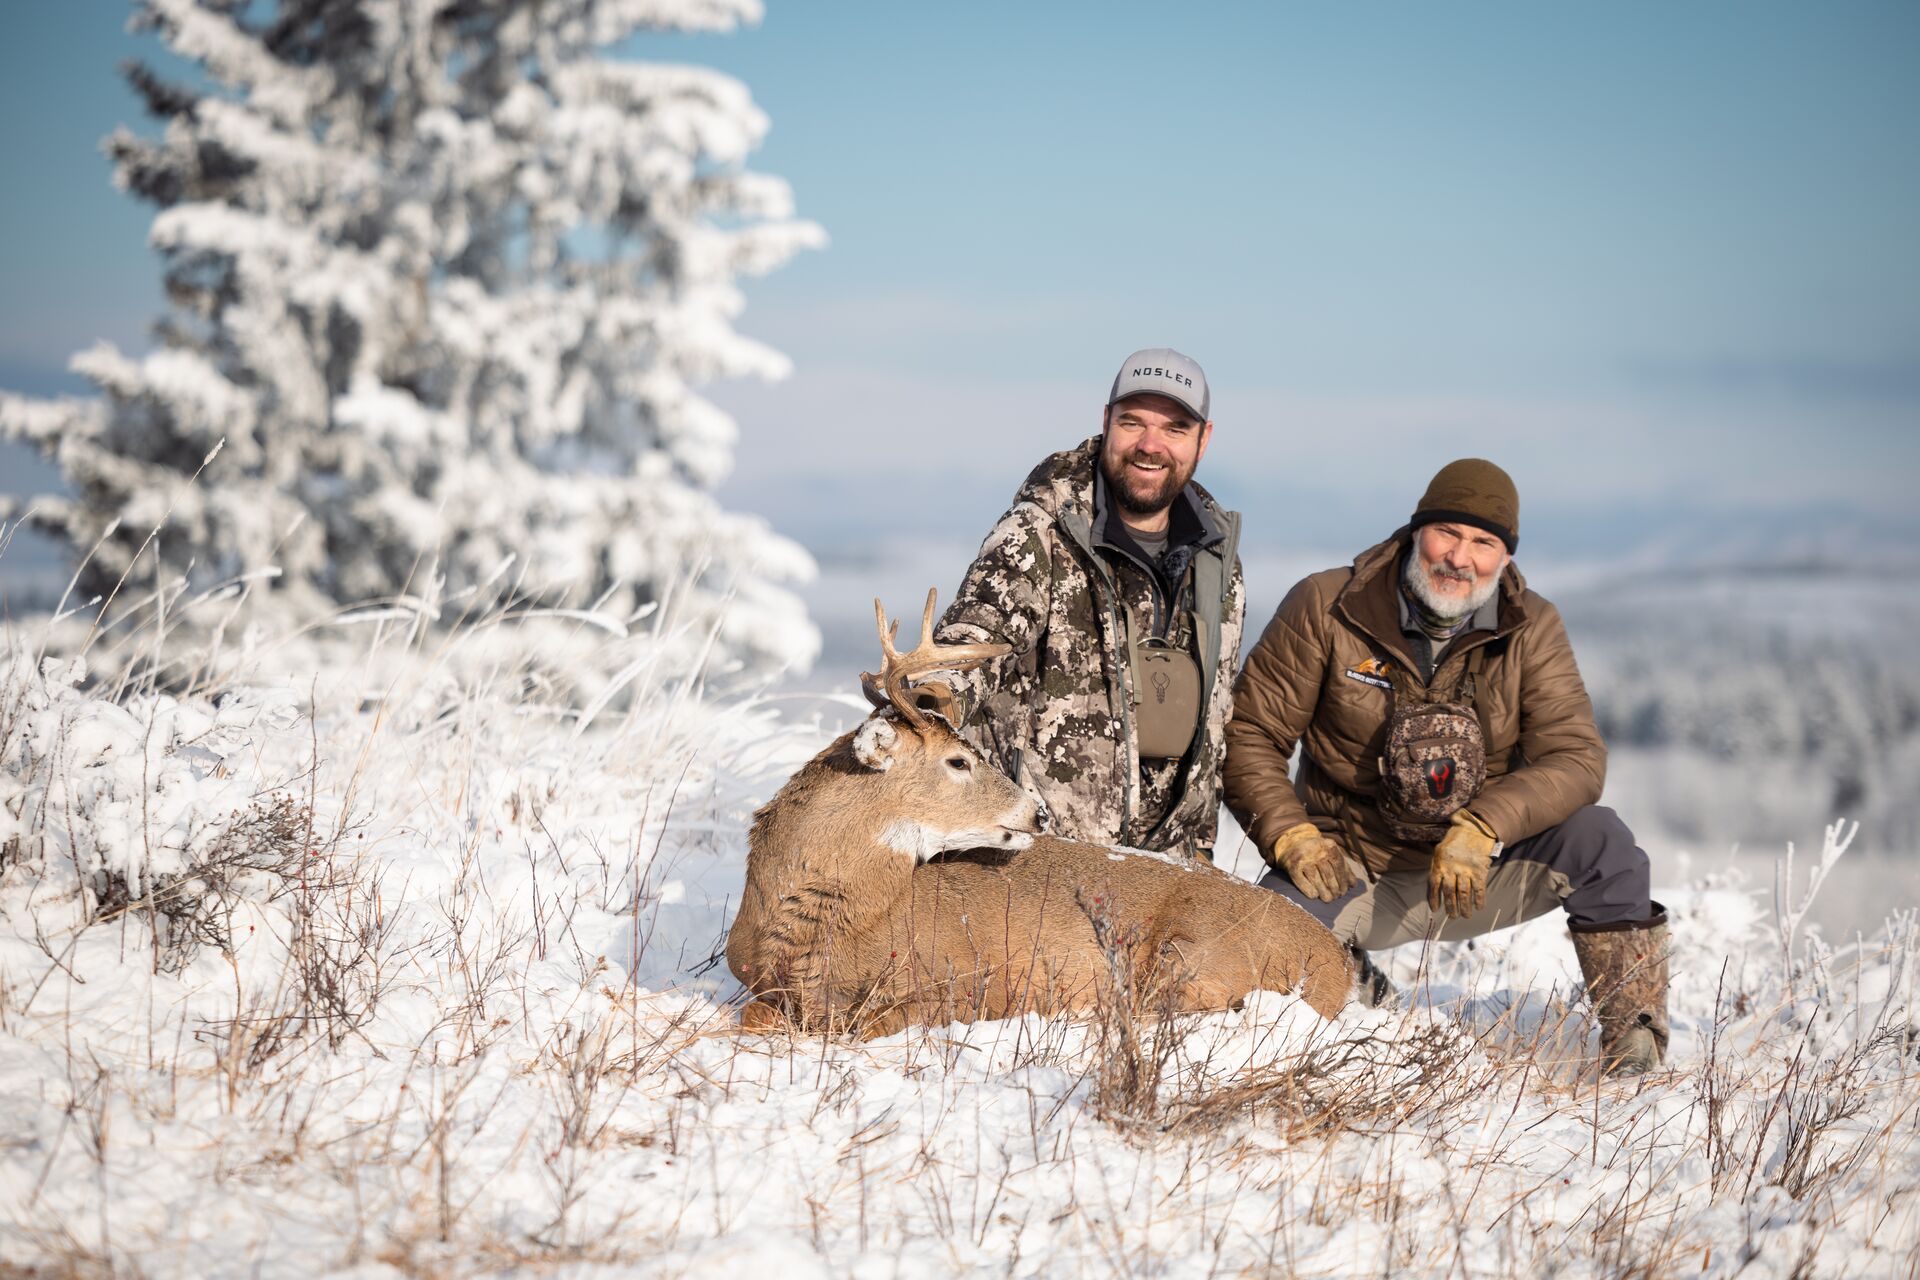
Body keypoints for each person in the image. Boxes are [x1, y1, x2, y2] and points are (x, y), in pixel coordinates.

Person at [1223, 459, 1669, 1074]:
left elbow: (1577, 757)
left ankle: (1636, 1050)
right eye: (1447, 534)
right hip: (1349, 866)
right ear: (1415, 533)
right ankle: (1350, 982)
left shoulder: (1530, 627)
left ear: (1505, 559)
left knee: (1605, 844)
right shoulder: (1328, 605)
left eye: (1484, 543)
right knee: (1270, 938)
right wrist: (1289, 834)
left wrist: (1484, 825)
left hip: (1476, 870)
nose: (1459, 558)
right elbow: (1249, 732)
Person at [907, 347, 1245, 859]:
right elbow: (979, 632)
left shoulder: (1219, 560)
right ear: (1106, 422)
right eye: (1133, 423)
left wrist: (1196, 850)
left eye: (1175, 428)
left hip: (1167, 874)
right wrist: (937, 696)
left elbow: (1215, 719)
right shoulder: (1042, 529)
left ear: (1204, 439)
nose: (1150, 445)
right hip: (1034, 863)